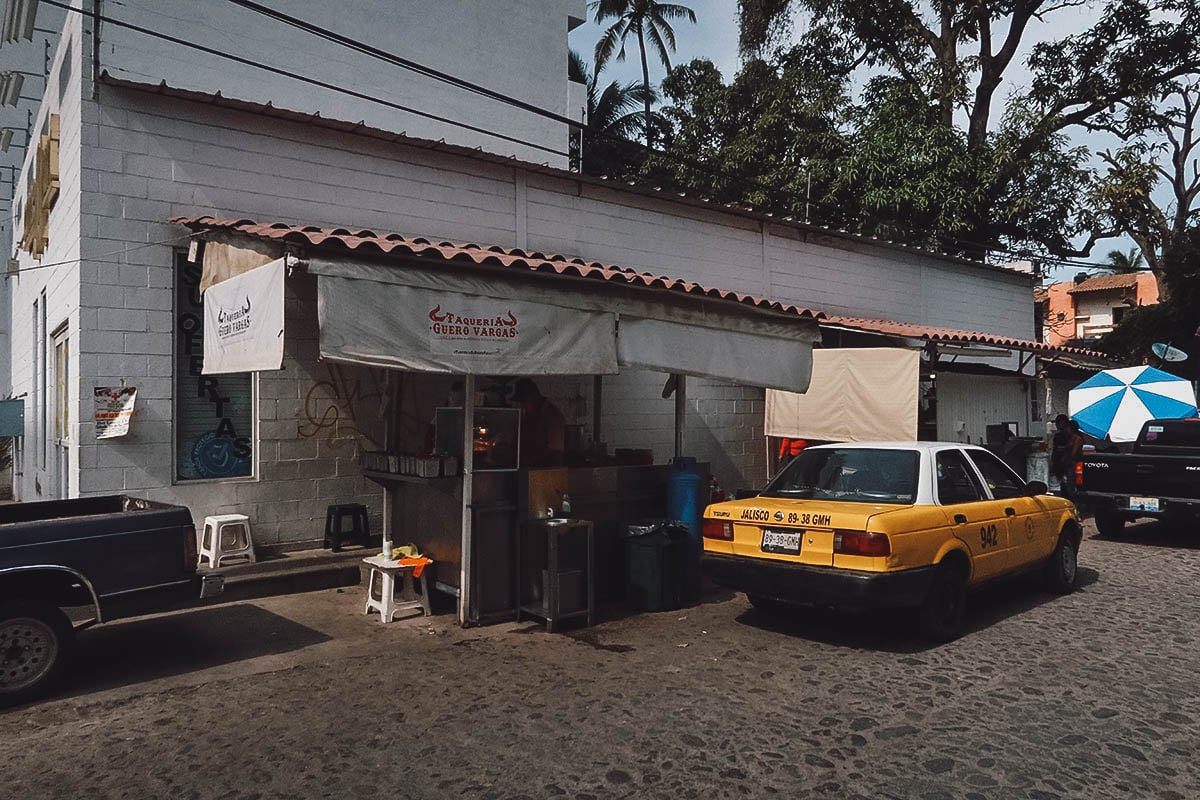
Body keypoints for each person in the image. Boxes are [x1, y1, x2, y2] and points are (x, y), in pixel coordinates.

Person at [513, 378, 565, 467]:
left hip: (546, 472)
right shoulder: (530, 415)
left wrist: (529, 460)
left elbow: (554, 451)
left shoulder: (552, 415)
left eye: (523, 402)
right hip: (529, 469)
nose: (522, 406)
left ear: (532, 398)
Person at [1050, 414, 1083, 497]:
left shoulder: (1076, 438)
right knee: (1061, 486)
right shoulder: (1060, 436)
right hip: (1061, 464)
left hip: (1070, 464)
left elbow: (1073, 453)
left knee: (1069, 487)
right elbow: (1056, 450)